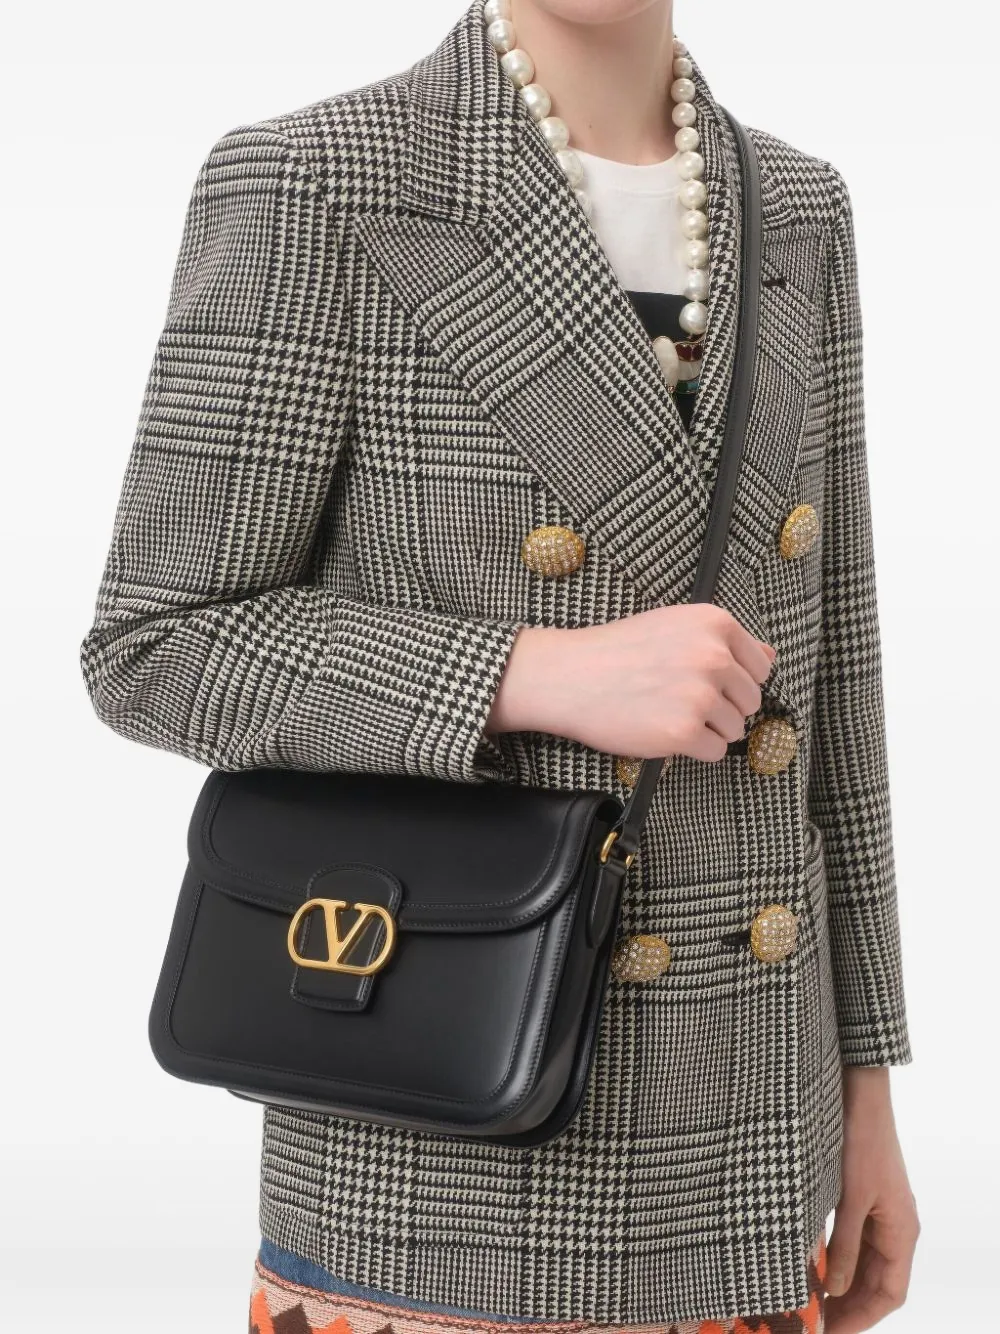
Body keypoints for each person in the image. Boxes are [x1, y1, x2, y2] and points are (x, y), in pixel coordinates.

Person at [79, 1, 920, 1331]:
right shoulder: (321, 180)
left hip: (754, 1147)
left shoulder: (797, 205)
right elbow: (155, 643)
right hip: (439, 1156)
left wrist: (868, 1094)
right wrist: (528, 673)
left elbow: (838, 691)